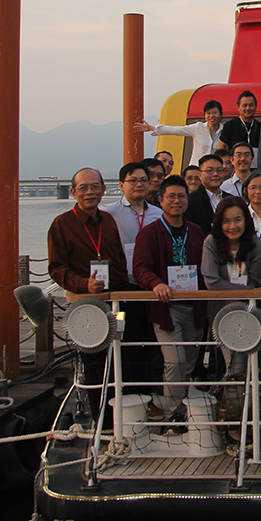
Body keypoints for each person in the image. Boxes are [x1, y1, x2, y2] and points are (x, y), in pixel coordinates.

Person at [46, 168, 131, 416]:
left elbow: (118, 260)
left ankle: (123, 414)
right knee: (94, 362)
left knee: (121, 354)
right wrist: (84, 284)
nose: (89, 192)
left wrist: (125, 293)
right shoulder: (62, 224)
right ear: (73, 192)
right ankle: (100, 419)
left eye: (95, 187)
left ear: (103, 190)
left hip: (116, 302)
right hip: (86, 304)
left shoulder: (108, 220)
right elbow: (56, 268)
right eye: (83, 188)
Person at [133, 176, 208, 420]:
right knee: (174, 361)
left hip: (194, 306)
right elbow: (140, 268)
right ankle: (173, 413)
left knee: (189, 361)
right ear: (160, 200)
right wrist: (155, 283)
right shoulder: (149, 233)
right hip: (166, 308)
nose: (177, 201)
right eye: (171, 197)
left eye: (182, 196)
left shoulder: (195, 231)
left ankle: (182, 408)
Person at [100, 162, 165, 398]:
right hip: (122, 289)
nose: (139, 185)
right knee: (123, 339)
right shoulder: (108, 213)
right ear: (121, 185)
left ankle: (151, 395)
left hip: (150, 289)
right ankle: (125, 394)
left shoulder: (158, 214)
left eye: (143, 180)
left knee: (152, 341)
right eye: (133, 180)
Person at [201, 196, 261, 365]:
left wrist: (249, 291)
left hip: (248, 313)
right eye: (226, 221)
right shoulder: (211, 243)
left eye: (238, 220)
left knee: (244, 364)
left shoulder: (257, 245)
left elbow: (254, 282)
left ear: (246, 220)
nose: (232, 226)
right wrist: (248, 291)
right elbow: (212, 282)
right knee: (227, 363)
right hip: (219, 312)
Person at [135, 100, 225, 167]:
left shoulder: (224, 131)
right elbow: (176, 130)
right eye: (208, 113)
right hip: (196, 169)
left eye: (215, 113)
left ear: (221, 114)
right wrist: (151, 128)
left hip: (214, 170)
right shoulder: (198, 127)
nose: (211, 116)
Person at [186, 153, 228, 235]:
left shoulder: (230, 199)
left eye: (219, 170)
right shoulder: (190, 201)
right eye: (209, 170)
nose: (215, 174)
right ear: (199, 175)